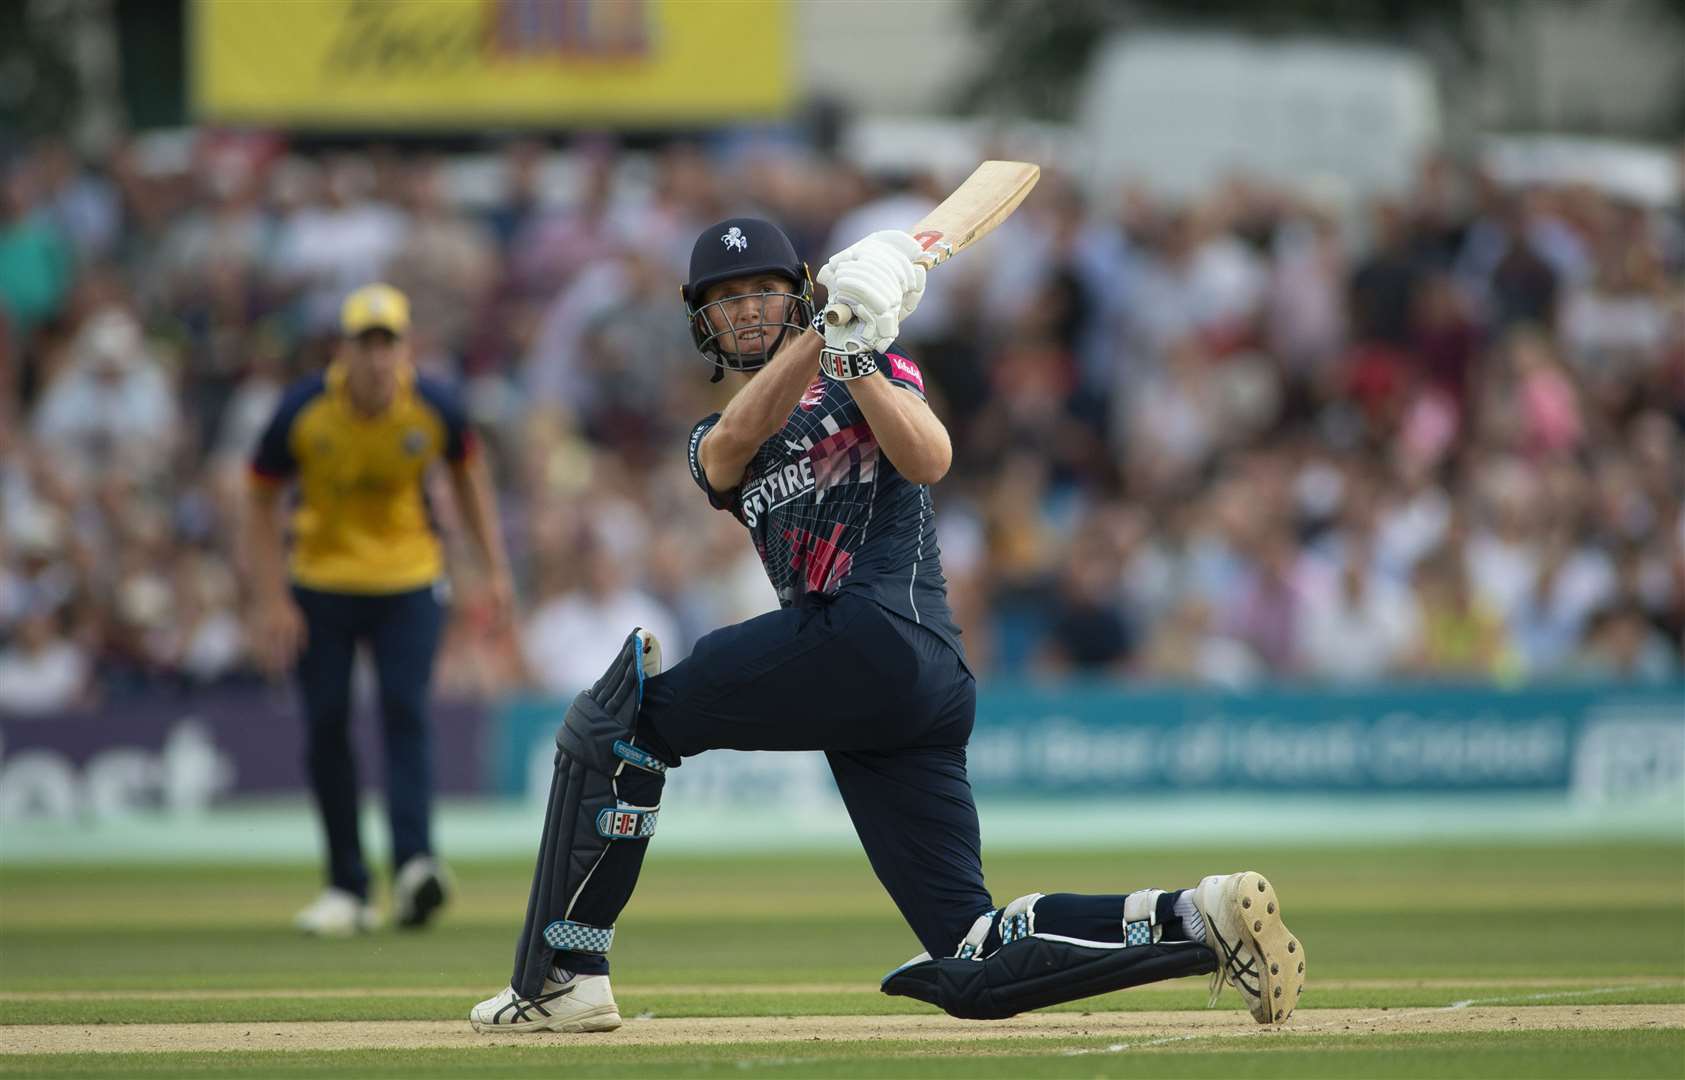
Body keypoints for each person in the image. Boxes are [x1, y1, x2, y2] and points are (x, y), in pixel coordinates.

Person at [469, 220, 1304, 1032]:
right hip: (884, 689)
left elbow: (930, 458)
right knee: (971, 957)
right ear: (703, 323)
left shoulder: (873, 367)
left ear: (795, 295)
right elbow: (735, 442)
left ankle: (564, 978)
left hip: (882, 635)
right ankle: (1201, 921)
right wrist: (830, 327)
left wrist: (858, 352)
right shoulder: (711, 435)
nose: (751, 309)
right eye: (729, 300)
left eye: (766, 290)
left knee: (623, 725)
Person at [247, 283, 514, 935]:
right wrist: (271, 597)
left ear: (403, 348)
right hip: (321, 581)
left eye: (386, 343)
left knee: (405, 712)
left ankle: (416, 864)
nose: (375, 358)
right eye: (363, 344)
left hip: (408, 579)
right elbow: (258, 497)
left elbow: (469, 473)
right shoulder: (302, 410)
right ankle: (348, 887)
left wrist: (494, 568)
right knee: (327, 725)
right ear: (342, 349)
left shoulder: (433, 406)